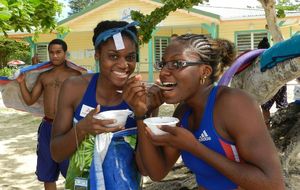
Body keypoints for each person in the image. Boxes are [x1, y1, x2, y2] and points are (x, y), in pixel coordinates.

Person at [124, 34, 285, 189]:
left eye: (177, 64)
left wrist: (196, 147)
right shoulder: (183, 112)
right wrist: (142, 113)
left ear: (204, 71)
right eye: (163, 64)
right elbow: (155, 172)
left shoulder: (233, 104)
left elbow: (272, 184)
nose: (164, 72)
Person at [50, 20, 149, 189]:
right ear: (97, 55)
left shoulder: (141, 97)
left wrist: (141, 114)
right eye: (113, 56)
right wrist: (82, 128)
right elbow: (57, 153)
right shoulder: (74, 88)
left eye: (130, 57)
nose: (124, 65)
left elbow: (147, 169)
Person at [16, 39, 81, 190]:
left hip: (68, 128)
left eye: (58, 52)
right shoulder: (44, 76)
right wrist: (21, 83)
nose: (54, 56)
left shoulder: (76, 75)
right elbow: (30, 100)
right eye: (51, 52)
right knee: (47, 174)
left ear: (65, 53)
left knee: (73, 171)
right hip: (47, 127)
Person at [258, 37, 288, 126]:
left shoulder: (259, 59)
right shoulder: (274, 54)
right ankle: (281, 128)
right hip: (281, 83)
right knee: (282, 107)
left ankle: (268, 129)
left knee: (265, 108)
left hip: (269, 83)